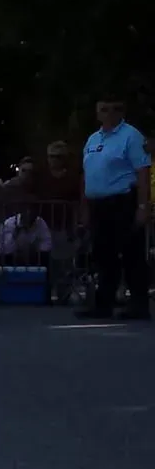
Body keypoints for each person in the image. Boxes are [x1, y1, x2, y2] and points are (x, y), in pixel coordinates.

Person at [79, 99, 151, 321]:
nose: (109, 113)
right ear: (97, 113)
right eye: (104, 109)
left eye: (115, 108)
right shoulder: (93, 139)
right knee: (103, 256)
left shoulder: (131, 136)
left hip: (123, 202)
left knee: (132, 254)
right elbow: (87, 174)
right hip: (99, 204)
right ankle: (104, 304)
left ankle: (139, 304)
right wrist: (84, 208)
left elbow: (142, 171)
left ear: (123, 111)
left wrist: (142, 206)